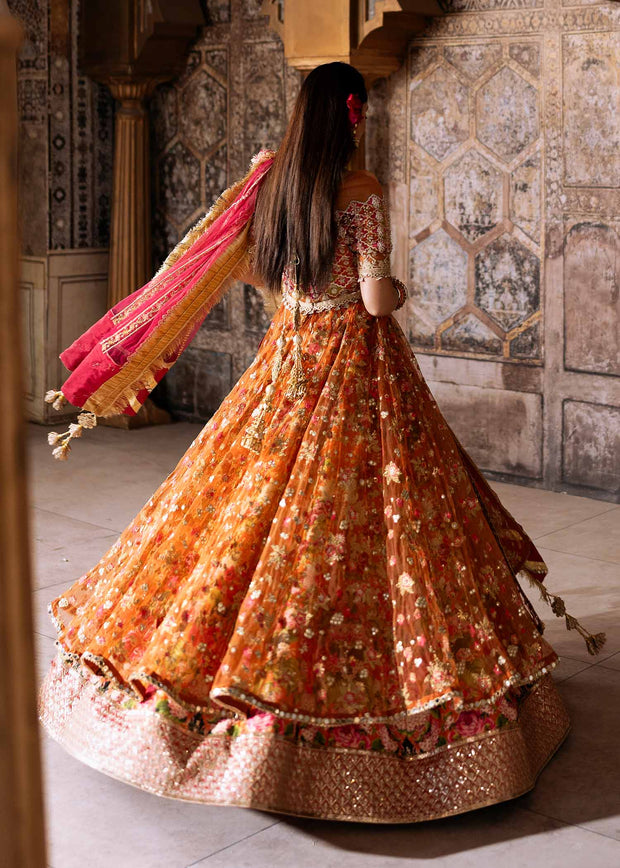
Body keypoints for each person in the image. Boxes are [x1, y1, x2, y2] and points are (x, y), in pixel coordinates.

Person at [38, 62, 605, 823]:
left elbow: (249, 271)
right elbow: (374, 297)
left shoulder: (271, 182)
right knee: (379, 511)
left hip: (287, 357)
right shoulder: (360, 191)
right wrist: (394, 291)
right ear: (354, 116)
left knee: (246, 503)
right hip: (354, 365)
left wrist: (306, 296)